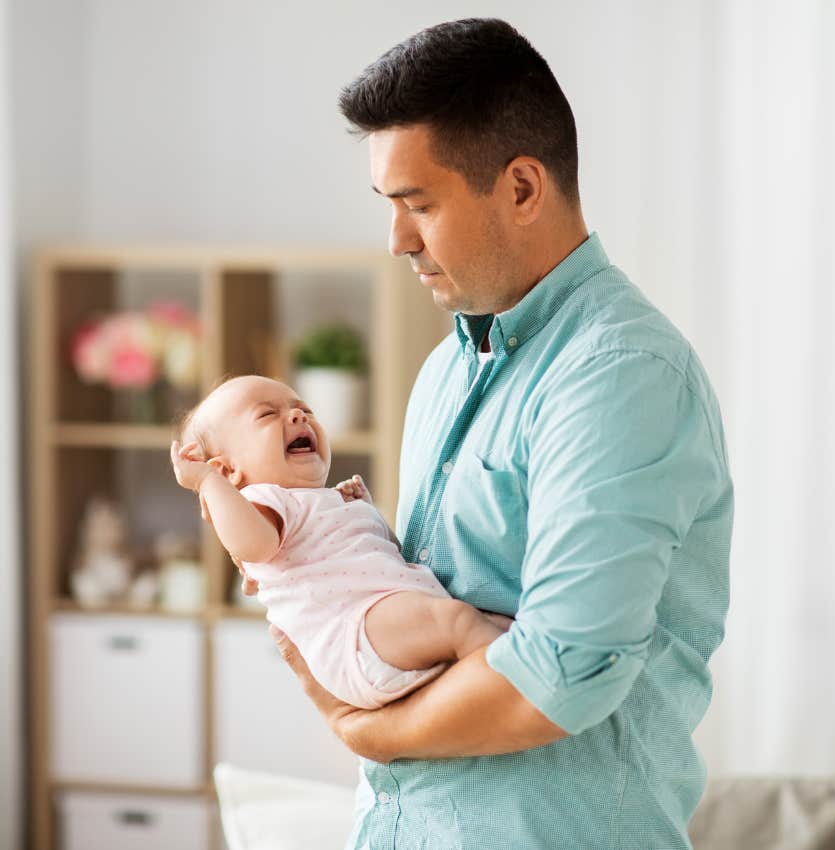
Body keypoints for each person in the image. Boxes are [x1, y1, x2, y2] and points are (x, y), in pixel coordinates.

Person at [241, 17, 732, 850]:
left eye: (419, 204)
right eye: (389, 206)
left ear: (523, 188)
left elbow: (560, 678)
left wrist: (369, 732)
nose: (396, 238)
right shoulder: (446, 370)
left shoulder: (620, 374)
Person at [170, 374, 511, 710]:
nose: (297, 415)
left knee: (494, 625)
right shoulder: (266, 501)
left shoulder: (322, 504)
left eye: (303, 408)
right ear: (228, 471)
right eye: (267, 414)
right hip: (357, 637)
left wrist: (367, 514)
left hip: (386, 623)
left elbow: (391, 560)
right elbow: (253, 546)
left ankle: (508, 680)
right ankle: (519, 694)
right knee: (459, 623)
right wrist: (208, 484)